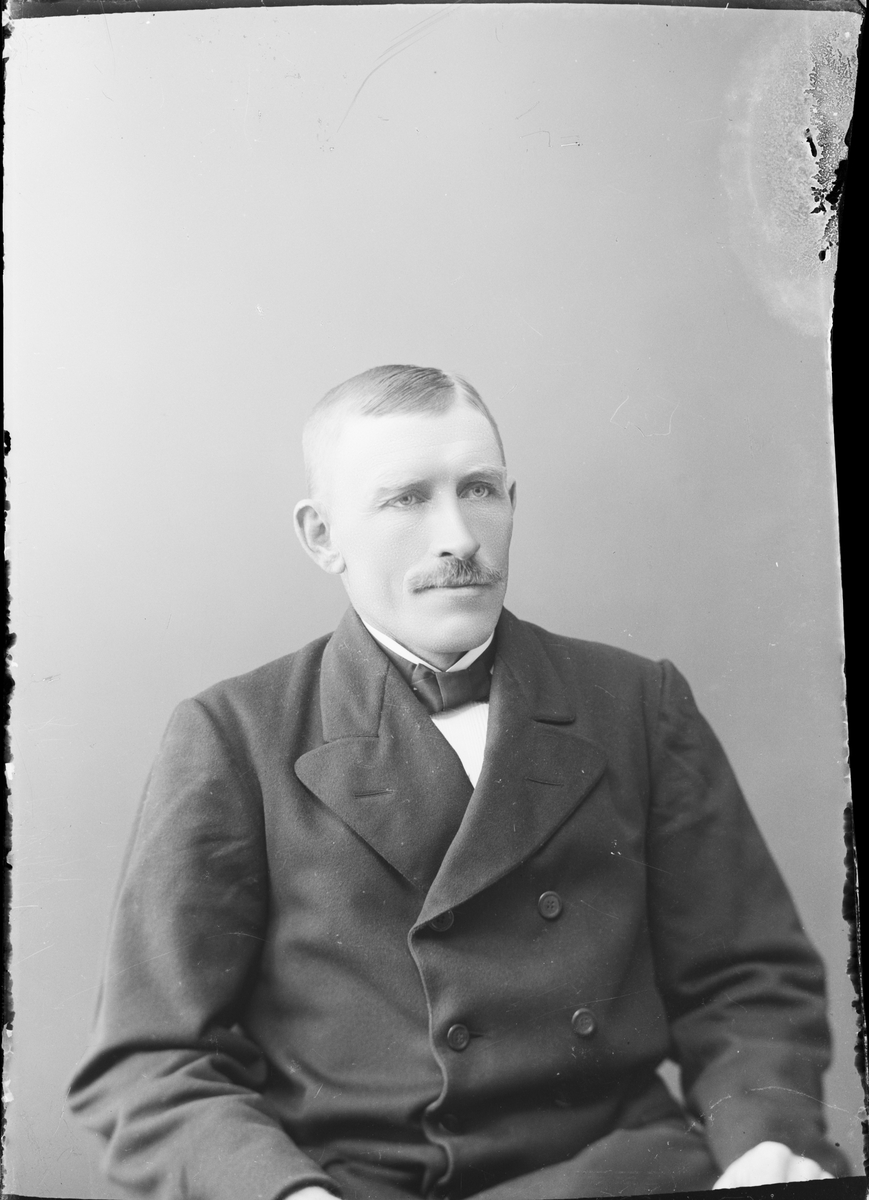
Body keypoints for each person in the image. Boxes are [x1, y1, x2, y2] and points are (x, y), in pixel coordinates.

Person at [69, 365, 848, 1200]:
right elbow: (151, 1062)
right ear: (322, 536)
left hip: (623, 1175)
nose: (459, 538)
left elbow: (746, 983)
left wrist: (761, 1146)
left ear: (512, 500)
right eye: (405, 499)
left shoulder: (635, 701)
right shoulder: (234, 735)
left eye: (478, 490)